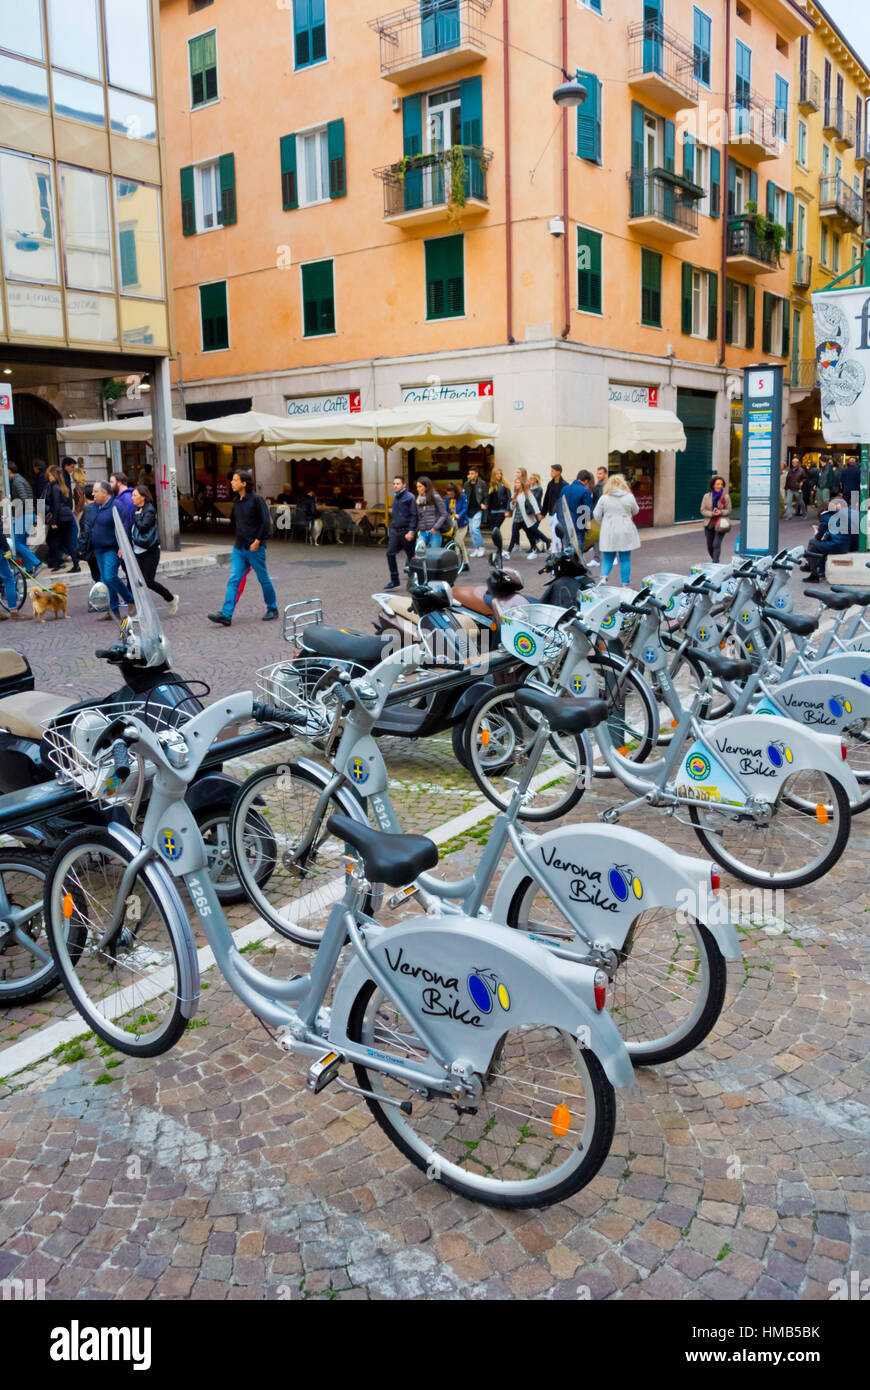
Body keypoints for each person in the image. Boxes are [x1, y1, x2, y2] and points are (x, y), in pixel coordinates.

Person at [208, 471, 278, 626]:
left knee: (263, 579)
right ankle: (226, 615)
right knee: (234, 579)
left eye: (235, 480)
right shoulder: (236, 501)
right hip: (239, 548)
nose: (231, 483)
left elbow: (266, 523)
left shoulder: (257, 500)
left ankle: (272, 608)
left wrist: (258, 541)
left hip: (254, 548)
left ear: (244, 483)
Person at [90, 479, 136, 622]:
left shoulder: (117, 506)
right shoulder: (96, 507)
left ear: (104, 493)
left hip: (112, 549)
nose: (93, 494)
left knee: (110, 577)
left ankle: (131, 600)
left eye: (96, 491)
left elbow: (125, 526)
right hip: (99, 549)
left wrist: (122, 546)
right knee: (105, 580)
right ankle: (113, 611)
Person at [131, 484, 179, 613]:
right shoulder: (137, 509)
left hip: (149, 551)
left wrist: (136, 516)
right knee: (137, 582)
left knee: (148, 581)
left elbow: (143, 526)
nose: (132, 498)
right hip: (137, 550)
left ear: (143, 496)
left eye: (135, 495)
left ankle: (171, 598)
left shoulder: (149, 510)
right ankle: (140, 610)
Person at [594, 473, 640, 585]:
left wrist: (605, 521)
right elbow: (636, 511)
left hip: (609, 530)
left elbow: (596, 514)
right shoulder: (629, 497)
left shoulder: (604, 498)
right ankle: (625, 584)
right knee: (625, 559)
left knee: (608, 558)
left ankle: (604, 577)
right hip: (625, 529)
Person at [801, 495, 859, 581]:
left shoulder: (831, 515)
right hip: (852, 545)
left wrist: (817, 533)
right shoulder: (851, 512)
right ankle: (819, 571)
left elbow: (821, 537)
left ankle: (813, 572)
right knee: (819, 546)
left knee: (813, 542)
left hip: (841, 546)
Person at [43, 463, 81, 573]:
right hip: (66, 517)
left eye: (50, 475)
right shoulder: (62, 486)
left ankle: (58, 562)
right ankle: (75, 564)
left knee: (51, 540)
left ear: (54, 475)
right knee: (67, 542)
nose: (49, 477)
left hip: (61, 518)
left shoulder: (54, 487)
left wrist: (54, 521)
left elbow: (56, 505)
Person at [6, 462, 41, 576]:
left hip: (23, 515)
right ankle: (29, 569)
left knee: (17, 543)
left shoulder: (17, 482)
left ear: (9, 471)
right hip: (27, 515)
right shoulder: (21, 480)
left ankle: (36, 562)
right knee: (23, 543)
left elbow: (24, 498)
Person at [505, 469, 547, 561]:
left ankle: (535, 548)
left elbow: (534, 503)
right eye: (515, 483)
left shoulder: (527, 492)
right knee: (516, 533)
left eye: (518, 483)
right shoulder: (516, 493)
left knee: (530, 534)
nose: (516, 484)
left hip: (525, 518)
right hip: (517, 517)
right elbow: (512, 507)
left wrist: (538, 514)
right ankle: (509, 552)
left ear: (522, 484)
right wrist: (512, 503)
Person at [385, 476, 417, 590]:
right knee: (390, 554)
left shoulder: (410, 498)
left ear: (404, 485)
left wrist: (411, 531)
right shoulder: (395, 498)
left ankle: (414, 581)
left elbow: (414, 516)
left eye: (398, 483)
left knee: (411, 557)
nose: (395, 486)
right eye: (394, 483)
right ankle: (394, 580)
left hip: (406, 531)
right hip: (395, 531)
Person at [560, 469, 594, 556]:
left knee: (567, 549)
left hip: (565, 523)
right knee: (578, 550)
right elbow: (587, 511)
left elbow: (560, 506)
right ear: (586, 481)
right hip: (578, 525)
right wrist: (587, 527)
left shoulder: (564, 489)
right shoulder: (585, 491)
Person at [700, 475, 732, 562]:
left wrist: (720, 512)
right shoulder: (706, 496)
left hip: (721, 524)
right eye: (717, 484)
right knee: (710, 546)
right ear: (713, 485)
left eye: (721, 484)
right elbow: (702, 510)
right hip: (709, 524)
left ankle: (715, 563)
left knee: (716, 544)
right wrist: (712, 513)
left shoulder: (726, 497)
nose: (719, 486)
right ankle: (716, 560)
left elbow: (728, 510)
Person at [414, 476, 449, 549]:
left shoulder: (435, 496)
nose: (418, 489)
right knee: (419, 553)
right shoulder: (418, 499)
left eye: (420, 486)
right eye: (417, 487)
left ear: (426, 486)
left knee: (434, 557)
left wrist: (435, 528)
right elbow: (418, 516)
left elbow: (444, 514)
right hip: (422, 532)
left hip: (434, 532)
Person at [77, 483, 101, 582]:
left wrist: (81, 547)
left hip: (92, 548)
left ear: (84, 495)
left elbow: (86, 531)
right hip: (99, 546)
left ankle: (103, 595)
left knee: (97, 575)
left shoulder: (88, 510)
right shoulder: (99, 507)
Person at [445, 481, 470, 573]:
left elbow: (465, 508)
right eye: (449, 494)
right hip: (452, 523)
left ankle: (453, 564)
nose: (450, 496)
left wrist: (459, 515)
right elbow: (446, 510)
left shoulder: (463, 497)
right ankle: (465, 564)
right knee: (461, 544)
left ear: (456, 492)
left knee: (457, 543)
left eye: (452, 494)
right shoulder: (447, 499)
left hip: (462, 523)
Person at [541, 464, 567, 553]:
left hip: (559, 513)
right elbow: (546, 498)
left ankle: (556, 552)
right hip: (551, 512)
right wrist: (543, 513)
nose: (551, 473)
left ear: (558, 472)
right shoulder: (550, 484)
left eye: (553, 471)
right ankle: (557, 551)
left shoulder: (564, 485)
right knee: (553, 532)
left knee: (556, 532)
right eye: (551, 470)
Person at [463, 467, 488, 557]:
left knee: (475, 528)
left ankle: (481, 547)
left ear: (477, 474)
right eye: (470, 473)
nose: (471, 475)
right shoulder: (466, 484)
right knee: (471, 531)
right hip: (469, 510)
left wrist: (484, 504)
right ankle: (476, 548)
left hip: (478, 509)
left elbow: (486, 495)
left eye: (473, 473)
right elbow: (464, 496)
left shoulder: (482, 483)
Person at [487, 467, 510, 546]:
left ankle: (500, 548)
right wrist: (488, 513)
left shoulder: (505, 485)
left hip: (501, 511)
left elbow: (508, 498)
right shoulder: (491, 486)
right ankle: (498, 547)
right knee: (495, 530)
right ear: (494, 475)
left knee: (496, 529)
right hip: (492, 512)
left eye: (500, 474)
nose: (499, 475)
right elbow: (489, 501)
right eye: (497, 474)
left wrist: (507, 510)